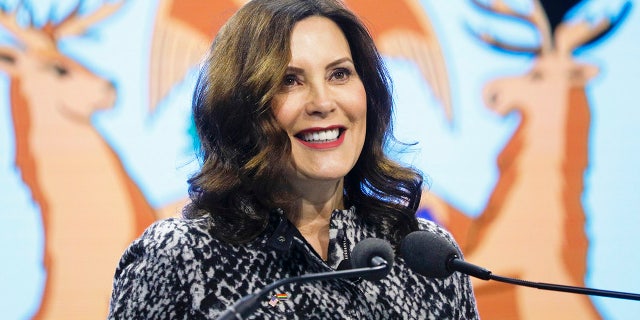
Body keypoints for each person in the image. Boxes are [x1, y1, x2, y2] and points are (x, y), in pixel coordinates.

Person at [107, 0, 479, 319]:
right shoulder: (178, 257)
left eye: (339, 74)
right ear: (241, 107)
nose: (322, 103)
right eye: (290, 80)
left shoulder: (425, 257)